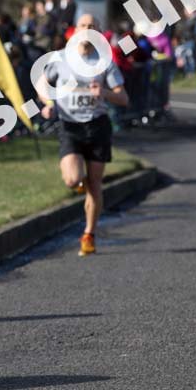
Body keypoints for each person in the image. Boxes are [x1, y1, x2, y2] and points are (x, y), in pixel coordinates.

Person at [37, 14, 128, 257]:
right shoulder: (61, 58)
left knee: (94, 185)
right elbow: (42, 84)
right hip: (70, 126)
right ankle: (76, 181)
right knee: (72, 179)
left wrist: (105, 93)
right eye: (83, 26)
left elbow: (123, 98)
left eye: (92, 27)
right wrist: (48, 103)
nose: (87, 30)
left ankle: (89, 234)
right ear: (75, 30)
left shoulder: (105, 62)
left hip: (97, 126)